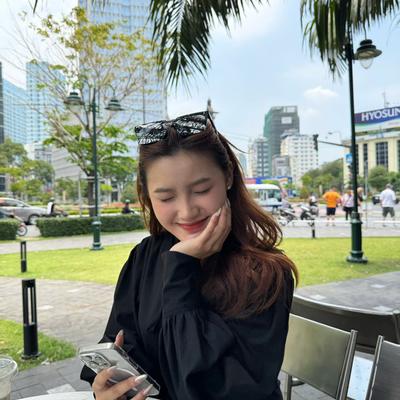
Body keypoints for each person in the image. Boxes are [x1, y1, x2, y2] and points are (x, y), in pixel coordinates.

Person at [81, 111, 298, 400]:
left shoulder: (263, 273)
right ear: (147, 196)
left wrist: (181, 267)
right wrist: (109, 387)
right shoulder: (145, 256)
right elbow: (122, 342)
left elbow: (216, 389)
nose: (187, 211)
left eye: (201, 190)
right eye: (166, 197)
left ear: (228, 177)